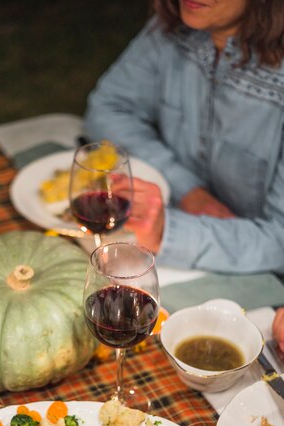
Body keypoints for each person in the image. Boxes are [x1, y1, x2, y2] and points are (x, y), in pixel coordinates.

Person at [84, 0, 284, 274]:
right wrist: (186, 188)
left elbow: (279, 241)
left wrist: (168, 233)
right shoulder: (171, 27)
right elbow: (108, 109)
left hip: (261, 278)